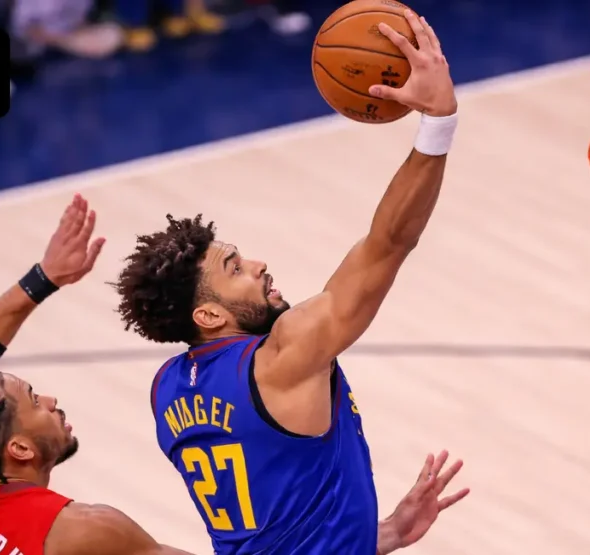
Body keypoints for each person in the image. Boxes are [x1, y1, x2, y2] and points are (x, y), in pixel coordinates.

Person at [112, 10, 467, 554]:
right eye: (234, 270)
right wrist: (437, 121)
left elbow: (278, 527)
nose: (258, 266)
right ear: (207, 315)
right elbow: (387, 245)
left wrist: (383, 534)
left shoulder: (167, 390)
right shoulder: (284, 357)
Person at [0, 194, 200, 555]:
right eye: (35, 402)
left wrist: (45, 278)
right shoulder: (80, 531)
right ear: (19, 448)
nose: (51, 401)